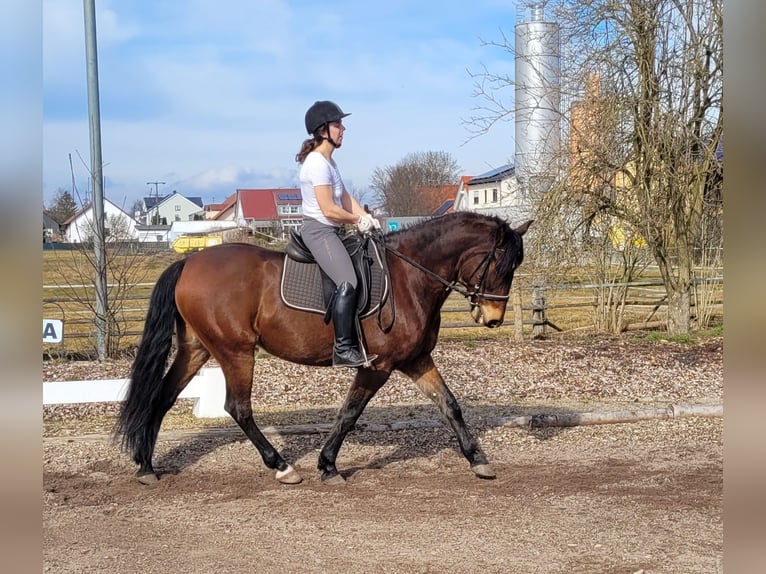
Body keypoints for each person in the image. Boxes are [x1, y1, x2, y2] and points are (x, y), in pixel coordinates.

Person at [295, 100, 380, 367]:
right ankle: (343, 348)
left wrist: (367, 218)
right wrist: (357, 220)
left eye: (341, 124)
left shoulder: (330, 163)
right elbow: (329, 209)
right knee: (347, 281)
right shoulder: (317, 164)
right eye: (337, 124)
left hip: (332, 229)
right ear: (322, 131)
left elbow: (345, 199)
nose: (343, 129)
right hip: (319, 231)